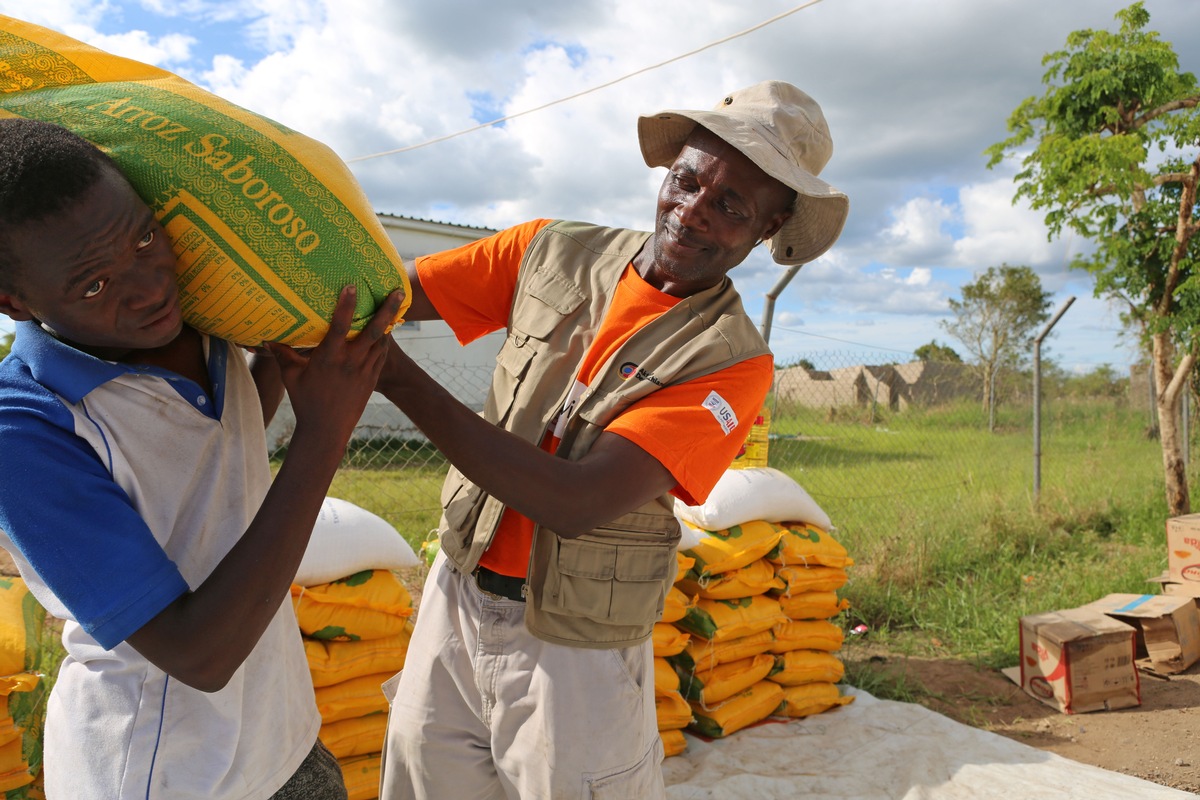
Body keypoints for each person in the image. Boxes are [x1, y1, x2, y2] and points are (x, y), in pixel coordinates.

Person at [374, 80, 850, 799]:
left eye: (730, 206)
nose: (690, 213)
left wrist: (395, 378)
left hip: (574, 649)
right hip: (456, 593)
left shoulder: (732, 362)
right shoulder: (547, 252)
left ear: (769, 226)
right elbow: (390, 297)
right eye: (687, 181)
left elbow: (579, 500)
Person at [0, 118, 403, 799]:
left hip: (284, 738)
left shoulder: (207, 320)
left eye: (144, 238)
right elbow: (198, 653)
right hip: (164, 772)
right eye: (94, 286)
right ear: (14, 303)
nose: (147, 286)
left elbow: (207, 464)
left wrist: (281, 360)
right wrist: (324, 434)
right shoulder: (27, 428)